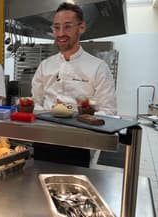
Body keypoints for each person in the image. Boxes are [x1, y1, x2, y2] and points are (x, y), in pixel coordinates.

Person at [31, 2, 117, 167]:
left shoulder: (98, 67)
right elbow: (35, 102)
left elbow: (109, 112)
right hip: (43, 140)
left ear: (81, 27)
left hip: (79, 144)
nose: (61, 33)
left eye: (68, 27)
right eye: (56, 27)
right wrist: (48, 114)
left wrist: (80, 115)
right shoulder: (45, 66)